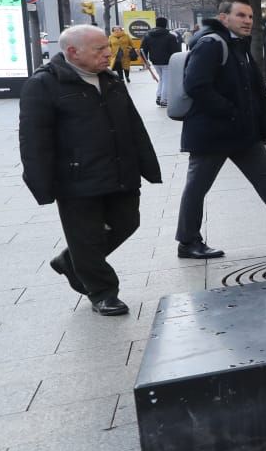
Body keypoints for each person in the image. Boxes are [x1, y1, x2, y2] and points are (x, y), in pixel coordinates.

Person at [19, 25, 163, 316]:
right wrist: (41, 183)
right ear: (73, 52)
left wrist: (147, 164)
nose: (108, 52)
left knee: (127, 222)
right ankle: (103, 292)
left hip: (120, 170)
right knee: (85, 236)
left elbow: (133, 125)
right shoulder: (44, 85)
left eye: (106, 47)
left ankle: (71, 262)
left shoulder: (110, 79)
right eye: (99, 49)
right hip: (75, 178)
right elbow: (34, 140)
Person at [175, 0, 266, 259]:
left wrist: (258, 123)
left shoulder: (237, 44)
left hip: (241, 132)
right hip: (213, 133)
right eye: (241, 15)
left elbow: (250, 89)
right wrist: (231, 111)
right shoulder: (211, 44)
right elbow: (196, 85)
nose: (248, 21)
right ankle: (188, 241)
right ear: (223, 17)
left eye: (250, 16)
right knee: (197, 187)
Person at [140, 16, 183, 107]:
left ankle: (159, 96)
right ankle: (164, 99)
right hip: (167, 61)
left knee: (162, 79)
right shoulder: (170, 36)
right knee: (166, 80)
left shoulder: (148, 36)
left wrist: (145, 61)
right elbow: (176, 50)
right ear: (165, 24)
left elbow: (142, 49)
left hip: (155, 61)